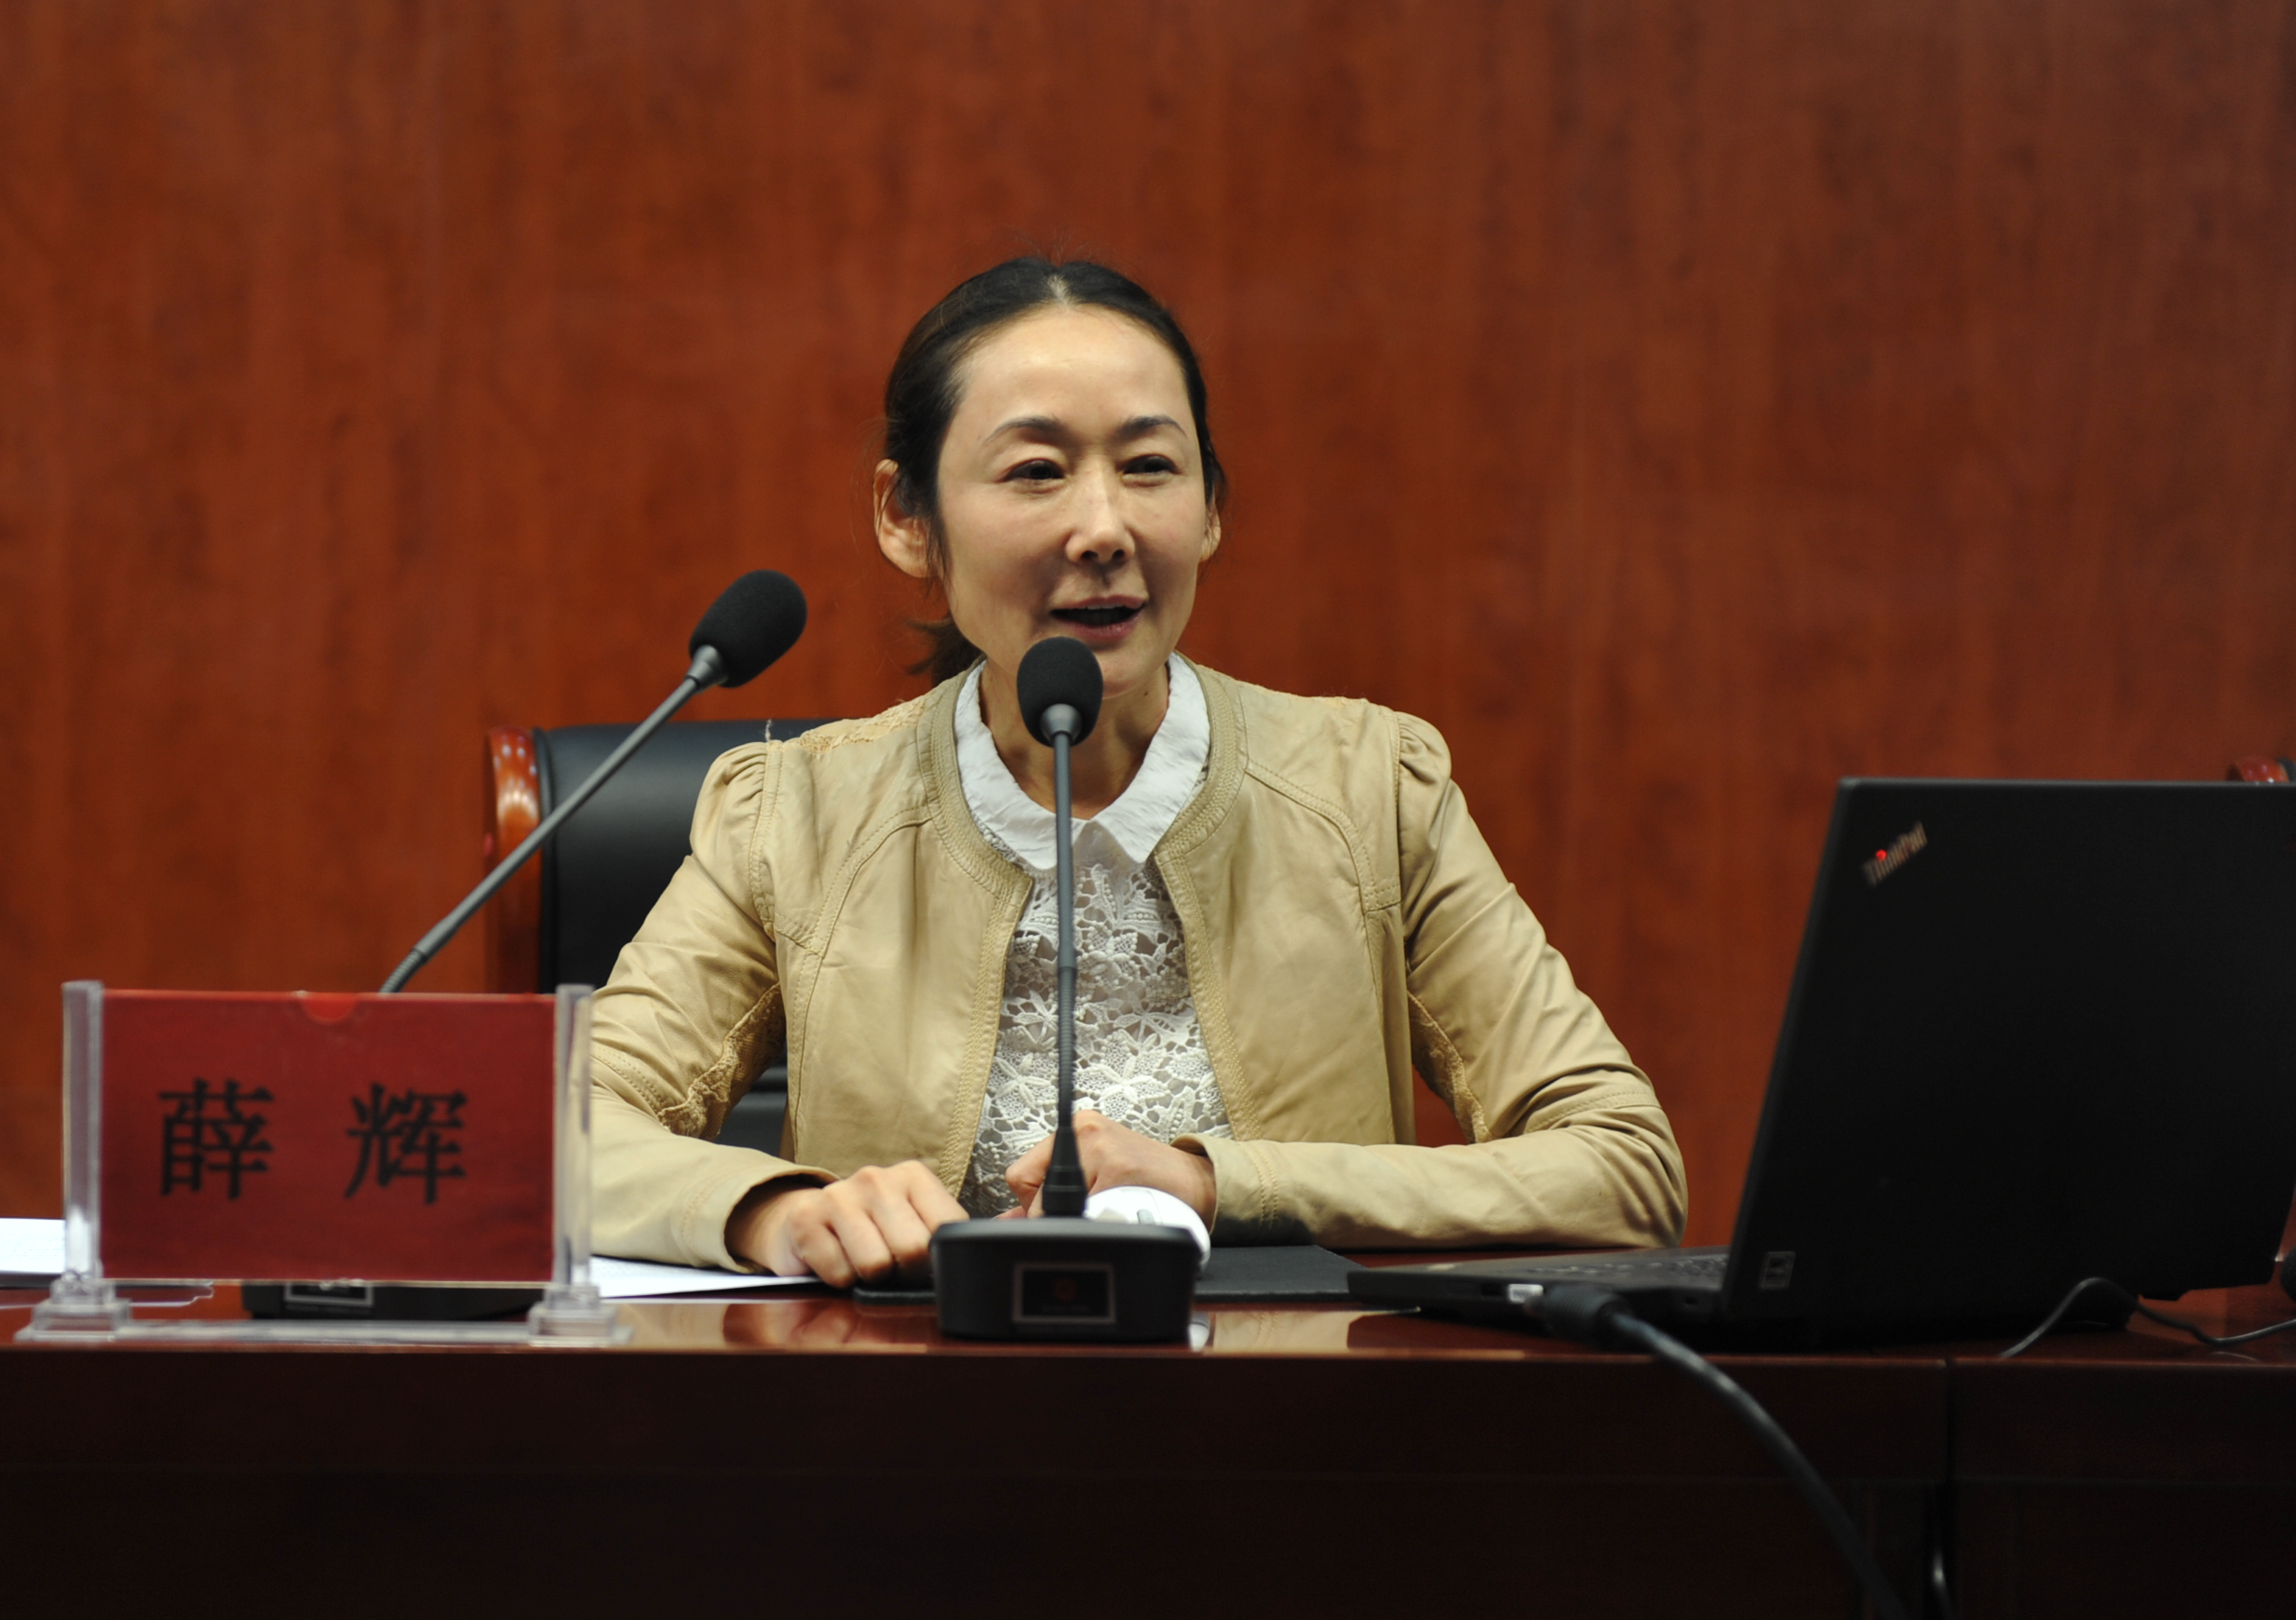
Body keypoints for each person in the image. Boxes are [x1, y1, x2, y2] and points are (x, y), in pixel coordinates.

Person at [588, 257, 1686, 1283]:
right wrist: (775, 1212)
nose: (1103, 527)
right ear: (906, 518)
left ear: (1208, 509)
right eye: (1036, 471)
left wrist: (1218, 1183)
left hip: (1294, 1408)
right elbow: (561, 1131)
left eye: (1150, 465)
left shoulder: (1369, 789)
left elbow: (1623, 1165)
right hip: (908, 1411)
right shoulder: (796, 815)